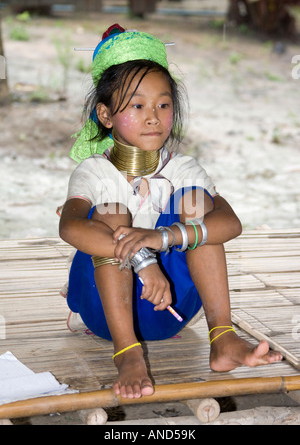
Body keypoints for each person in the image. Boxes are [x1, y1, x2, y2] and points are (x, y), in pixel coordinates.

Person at [59, 24, 282, 399]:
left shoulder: (181, 169)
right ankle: (128, 354)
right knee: (113, 213)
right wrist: (143, 259)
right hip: (107, 314)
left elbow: (230, 224)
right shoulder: (95, 171)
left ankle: (222, 337)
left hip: (174, 308)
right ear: (106, 115)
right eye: (137, 105)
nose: (153, 116)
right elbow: (70, 228)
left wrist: (163, 236)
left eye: (163, 104)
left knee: (197, 208)